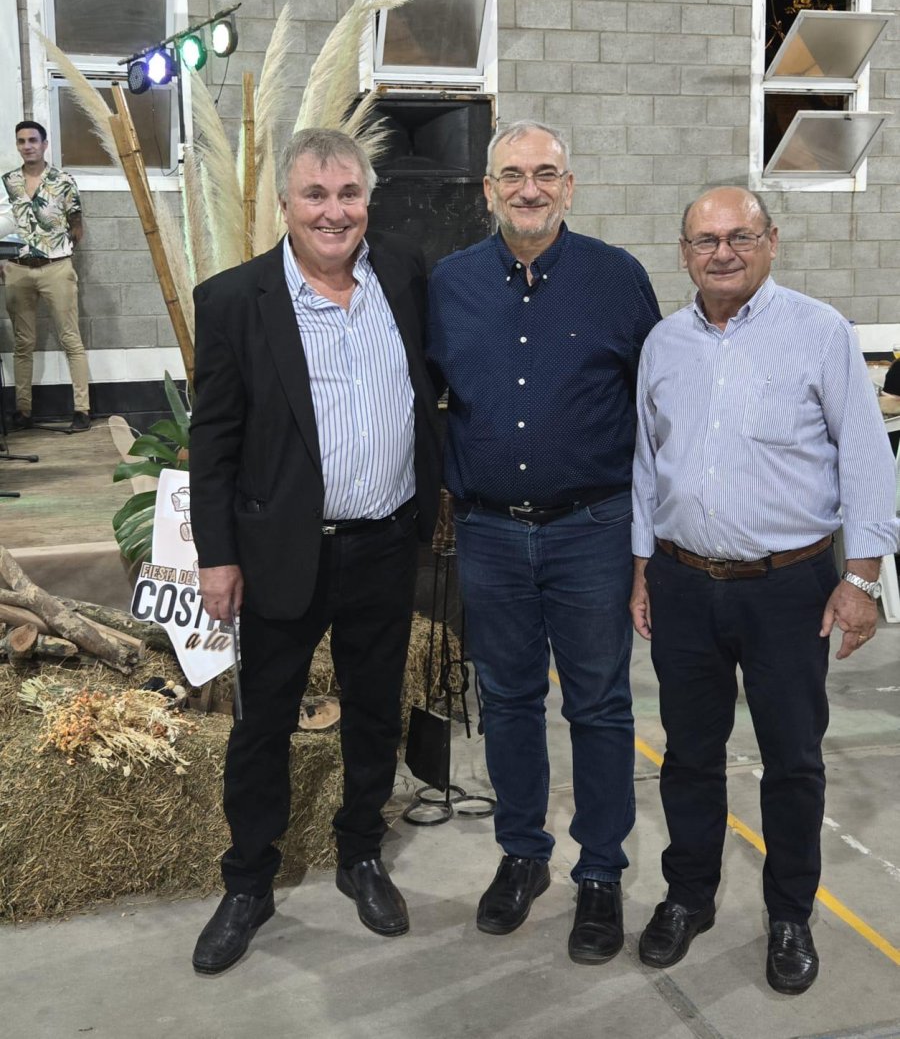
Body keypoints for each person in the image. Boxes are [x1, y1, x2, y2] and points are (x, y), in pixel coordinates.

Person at [630, 186, 900, 995]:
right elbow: (649, 462)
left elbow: (865, 459)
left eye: (739, 236)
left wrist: (862, 579)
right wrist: (643, 566)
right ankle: (688, 896)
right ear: (684, 252)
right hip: (682, 581)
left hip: (790, 588)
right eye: (705, 239)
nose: (723, 251)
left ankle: (789, 913)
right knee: (688, 754)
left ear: (771, 242)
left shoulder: (819, 333)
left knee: (792, 759)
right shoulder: (663, 343)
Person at [188, 128, 440, 974]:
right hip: (281, 554)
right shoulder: (234, 300)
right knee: (262, 723)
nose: (335, 212)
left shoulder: (403, 275)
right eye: (316, 196)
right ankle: (249, 881)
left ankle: (361, 853)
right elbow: (212, 440)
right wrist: (219, 555)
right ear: (285, 205)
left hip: (382, 544)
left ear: (368, 199)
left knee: (374, 713)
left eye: (349, 195)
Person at [428, 120, 661, 964]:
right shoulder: (449, 284)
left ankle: (600, 872)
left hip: (592, 530)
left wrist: (648, 542)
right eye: (512, 174)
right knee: (511, 699)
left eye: (546, 174)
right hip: (489, 533)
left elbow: (652, 410)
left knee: (599, 705)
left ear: (571, 186)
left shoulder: (618, 279)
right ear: (488, 189)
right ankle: (523, 855)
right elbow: (430, 401)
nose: (529, 188)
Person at [1, 121, 90, 432]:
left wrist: (60, 253)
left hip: (56, 268)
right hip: (17, 269)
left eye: (33, 140)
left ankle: (82, 409)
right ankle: (23, 411)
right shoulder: (7, 182)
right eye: (22, 141)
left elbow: (76, 224)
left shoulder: (63, 181)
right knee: (23, 343)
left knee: (70, 339)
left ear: (44, 143)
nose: (27, 146)